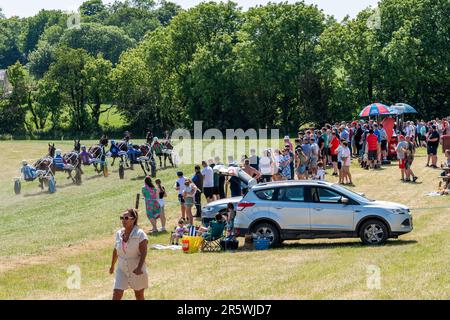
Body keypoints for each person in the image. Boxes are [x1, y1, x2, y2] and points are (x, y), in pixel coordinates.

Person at [110, 208, 148, 300]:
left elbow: (144, 252)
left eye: (126, 218)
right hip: (121, 268)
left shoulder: (140, 234)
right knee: (116, 293)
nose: (123, 220)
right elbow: (116, 250)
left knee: (139, 295)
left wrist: (139, 268)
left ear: (133, 219)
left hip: (136, 268)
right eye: (122, 218)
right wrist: (112, 266)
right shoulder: (119, 233)